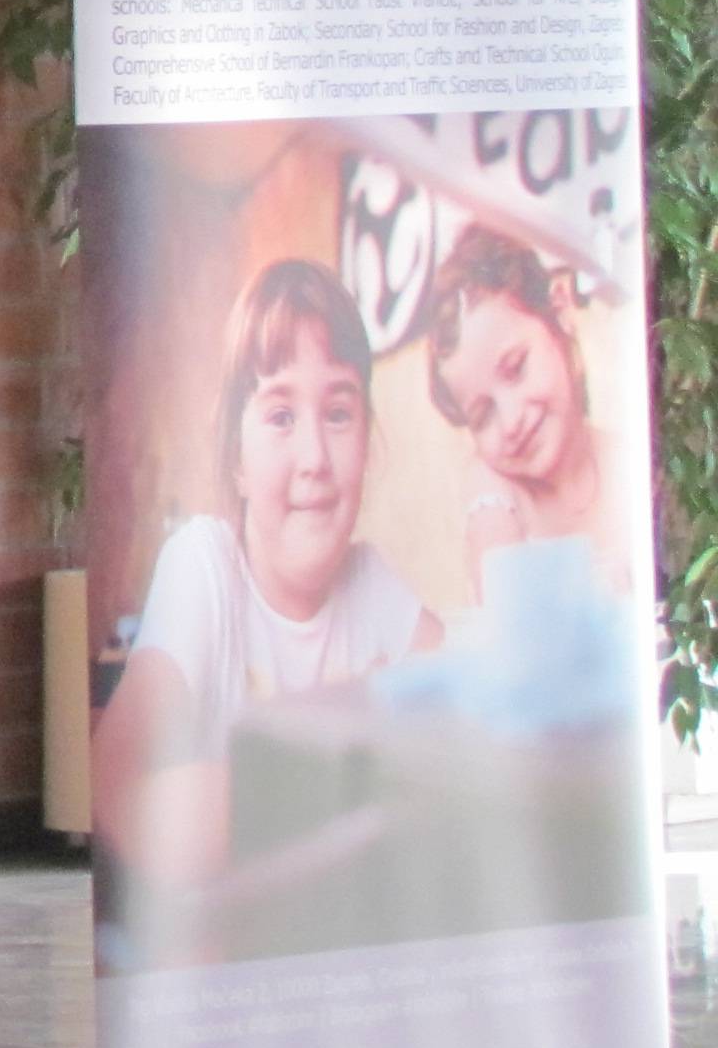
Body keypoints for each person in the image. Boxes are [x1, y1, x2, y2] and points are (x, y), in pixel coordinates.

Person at [97, 258, 439, 901]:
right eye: (281, 417)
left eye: (338, 414)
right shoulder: (204, 567)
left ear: (367, 441)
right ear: (236, 458)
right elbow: (119, 783)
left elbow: (483, 727)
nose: (314, 459)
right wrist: (349, 772)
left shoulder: (371, 584)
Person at [421, 228, 616, 568]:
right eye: (483, 416)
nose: (511, 422)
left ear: (559, 311)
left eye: (515, 369)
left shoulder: (626, 458)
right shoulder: (496, 495)